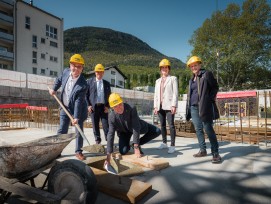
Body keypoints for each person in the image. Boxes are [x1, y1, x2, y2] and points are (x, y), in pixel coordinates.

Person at [49, 54, 88, 161]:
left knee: (78, 130)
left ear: (82, 68)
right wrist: (54, 89)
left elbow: (78, 102)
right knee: (62, 129)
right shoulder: (66, 72)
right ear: (70, 65)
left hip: (77, 110)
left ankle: (78, 151)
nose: (76, 68)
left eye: (79, 66)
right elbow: (59, 80)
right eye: (74, 65)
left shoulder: (83, 84)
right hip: (64, 106)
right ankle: (56, 151)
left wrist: (75, 117)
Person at [105, 93, 161, 165]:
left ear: (122, 102)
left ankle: (136, 143)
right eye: (116, 106)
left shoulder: (131, 108)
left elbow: (136, 127)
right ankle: (131, 144)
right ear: (112, 108)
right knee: (123, 151)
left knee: (157, 131)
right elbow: (110, 134)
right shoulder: (112, 117)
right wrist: (108, 154)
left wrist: (136, 146)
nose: (119, 108)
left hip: (135, 127)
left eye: (120, 104)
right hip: (124, 132)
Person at [185, 56, 221, 163]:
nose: (194, 67)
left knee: (208, 128)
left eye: (195, 65)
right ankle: (202, 150)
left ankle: (215, 153)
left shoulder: (206, 74)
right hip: (193, 107)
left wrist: (209, 99)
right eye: (192, 66)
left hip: (204, 106)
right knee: (198, 129)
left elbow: (215, 87)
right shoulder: (191, 79)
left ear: (200, 65)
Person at [154, 59, 178, 154]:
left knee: (171, 125)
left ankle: (172, 145)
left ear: (169, 68)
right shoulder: (157, 81)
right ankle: (164, 143)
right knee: (162, 125)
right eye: (162, 67)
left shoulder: (173, 79)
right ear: (160, 69)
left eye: (166, 67)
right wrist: (155, 106)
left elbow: (175, 93)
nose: (164, 69)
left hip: (169, 106)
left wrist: (174, 105)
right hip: (159, 106)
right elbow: (156, 94)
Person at [86, 64, 111, 144]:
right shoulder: (89, 82)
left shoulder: (107, 83)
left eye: (101, 72)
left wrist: (108, 106)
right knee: (95, 125)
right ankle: (97, 140)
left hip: (103, 107)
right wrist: (88, 105)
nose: (99, 74)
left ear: (103, 73)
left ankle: (108, 140)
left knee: (105, 125)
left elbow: (109, 96)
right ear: (95, 72)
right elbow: (86, 95)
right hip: (94, 107)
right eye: (97, 72)